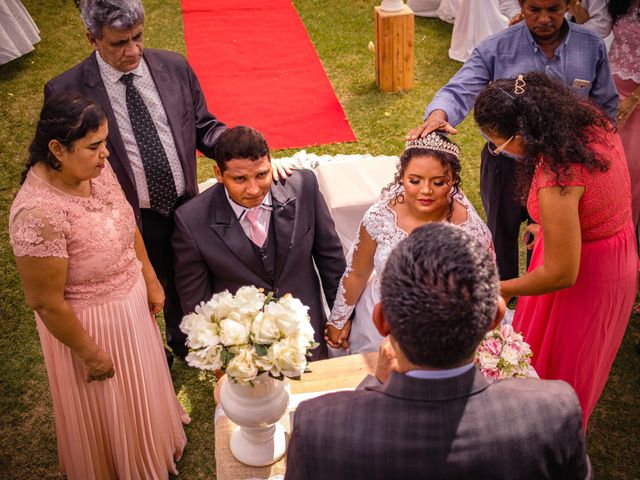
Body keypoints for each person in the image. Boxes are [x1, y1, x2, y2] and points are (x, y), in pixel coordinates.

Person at [286, 223, 591, 480]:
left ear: (380, 320)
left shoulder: (319, 427)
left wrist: (377, 385)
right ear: (495, 317)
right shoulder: (553, 412)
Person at [9, 92, 189, 479]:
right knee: (112, 404)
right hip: (91, 328)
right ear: (58, 148)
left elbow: (126, 223)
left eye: (105, 141)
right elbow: (45, 302)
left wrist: (151, 280)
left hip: (131, 307)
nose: (105, 154)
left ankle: (153, 446)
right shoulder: (37, 215)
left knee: (141, 387)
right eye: (94, 146)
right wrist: (90, 354)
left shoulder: (94, 169)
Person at [407, 0, 618, 281]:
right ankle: (501, 301)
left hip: (563, 170)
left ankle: (537, 302)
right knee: (498, 237)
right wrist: (438, 114)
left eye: (553, 9)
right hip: (505, 164)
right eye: (534, 10)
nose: (544, 19)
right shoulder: (497, 46)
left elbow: (605, 107)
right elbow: (460, 87)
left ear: (568, 5)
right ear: (520, 4)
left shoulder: (591, 46)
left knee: (548, 241)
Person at [474, 72, 638, 429]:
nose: (499, 152)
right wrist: (549, 224)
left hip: (585, 277)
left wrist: (498, 288)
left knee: (559, 372)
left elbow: (562, 273)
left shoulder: (559, 177)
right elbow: (597, 195)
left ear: (523, 134)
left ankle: (546, 442)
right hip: (607, 247)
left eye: (498, 145)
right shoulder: (587, 123)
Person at [172, 126, 345, 360]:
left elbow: (331, 259)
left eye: (261, 175)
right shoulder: (192, 220)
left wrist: (340, 319)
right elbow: (196, 302)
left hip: (307, 333)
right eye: (240, 179)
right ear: (218, 173)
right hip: (243, 349)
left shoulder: (304, 187)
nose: (254, 189)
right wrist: (218, 359)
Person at [326, 132, 493, 353]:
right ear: (401, 177)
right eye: (414, 180)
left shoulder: (470, 230)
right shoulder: (380, 218)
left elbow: (482, 286)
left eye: (439, 182)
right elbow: (357, 272)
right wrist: (338, 320)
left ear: (452, 181)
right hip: (380, 320)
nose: (426, 191)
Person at [608, 0, 640, 227]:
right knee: (611, 167)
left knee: (633, 173)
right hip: (612, 93)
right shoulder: (620, 2)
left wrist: (633, 100)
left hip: (634, 102)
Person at [503, 0, 614, 38]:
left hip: (577, 46)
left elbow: (602, 25)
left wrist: (565, 31)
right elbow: (508, 3)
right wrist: (523, 15)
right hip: (530, 36)